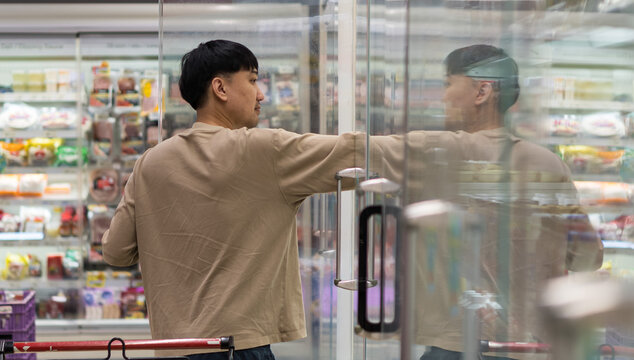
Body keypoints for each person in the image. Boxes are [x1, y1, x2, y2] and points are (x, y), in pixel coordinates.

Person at [101, 39, 367, 360]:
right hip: (236, 347)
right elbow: (352, 154)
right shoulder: (261, 150)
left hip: (174, 349)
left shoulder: (150, 161)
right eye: (253, 80)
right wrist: (438, 150)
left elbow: (116, 252)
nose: (261, 94)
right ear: (220, 88)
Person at [409, 44, 604, 360]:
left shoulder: (435, 157)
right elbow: (586, 256)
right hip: (524, 342)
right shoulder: (547, 164)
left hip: (455, 339)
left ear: (482, 91)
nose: (442, 96)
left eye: (447, 84)